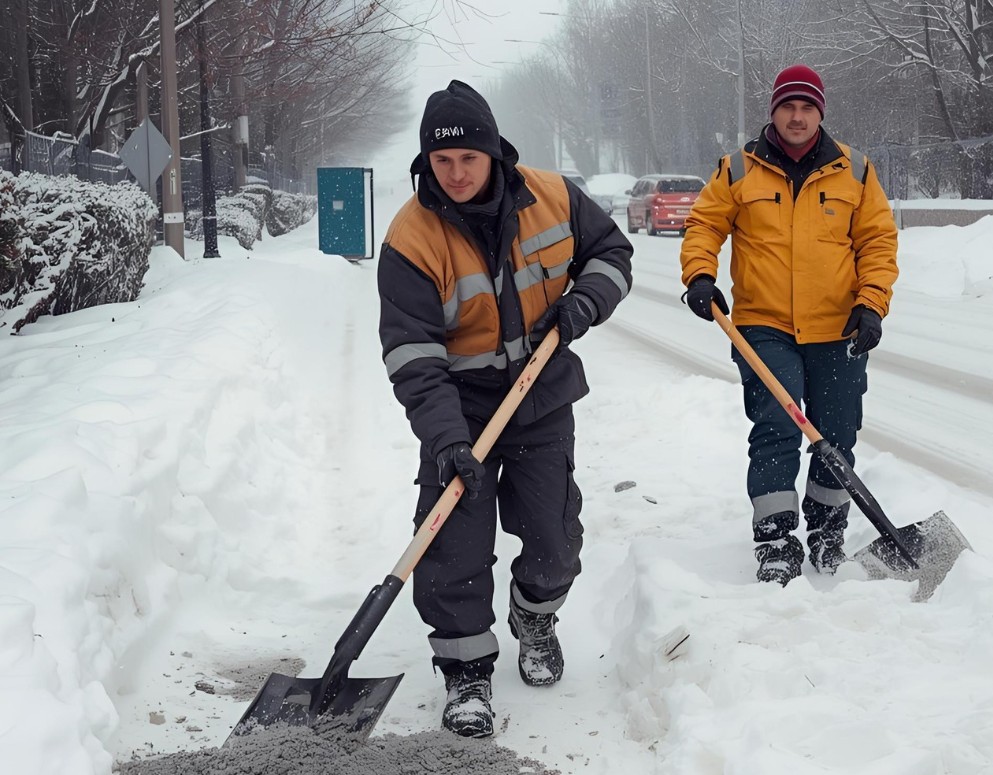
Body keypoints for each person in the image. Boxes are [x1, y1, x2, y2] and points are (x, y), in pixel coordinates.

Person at [377, 80, 633, 737]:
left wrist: (584, 302)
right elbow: (412, 356)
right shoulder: (411, 238)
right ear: (426, 162)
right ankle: (466, 673)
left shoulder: (553, 197)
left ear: (494, 153)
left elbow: (612, 254)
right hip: (459, 407)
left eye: (468, 158)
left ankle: (534, 616)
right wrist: (447, 440)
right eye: (441, 161)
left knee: (554, 537)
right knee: (452, 543)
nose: (456, 173)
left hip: (540, 394)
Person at [679, 64, 898, 586]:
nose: (797, 117)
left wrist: (871, 303)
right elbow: (704, 224)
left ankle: (826, 532)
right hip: (763, 325)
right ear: (773, 111)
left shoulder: (855, 170)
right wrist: (701, 275)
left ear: (820, 113)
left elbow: (877, 241)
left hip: (838, 328)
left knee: (836, 432)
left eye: (807, 108)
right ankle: (776, 540)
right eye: (788, 107)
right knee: (778, 426)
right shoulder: (738, 169)